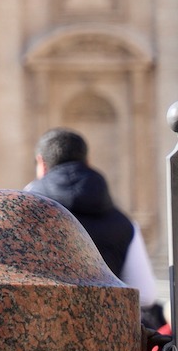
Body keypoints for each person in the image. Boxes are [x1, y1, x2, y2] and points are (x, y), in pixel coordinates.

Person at [24, 127, 158, 315]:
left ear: (41, 163)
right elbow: (145, 294)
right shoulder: (123, 223)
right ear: (87, 162)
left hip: (39, 327)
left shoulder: (24, 214)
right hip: (103, 334)